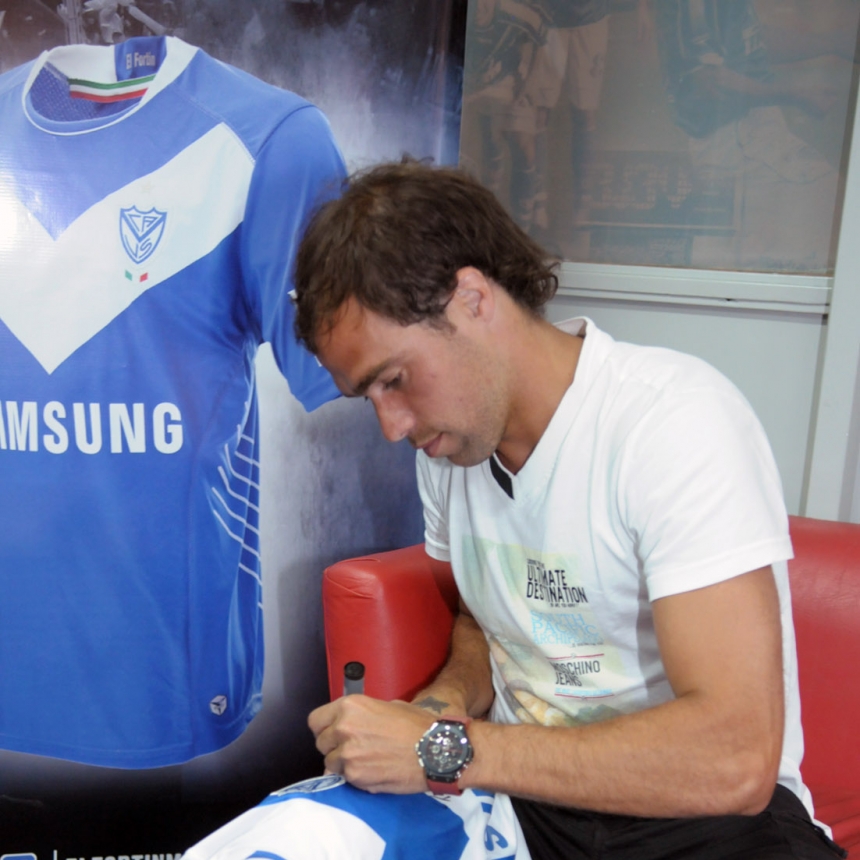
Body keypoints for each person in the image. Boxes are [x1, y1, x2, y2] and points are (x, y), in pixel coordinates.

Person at [188, 158, 846, 860]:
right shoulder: (451, 451)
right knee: (280, 840)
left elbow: (734, 760)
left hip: (703, 823)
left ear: (473, 299)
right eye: (367, 396)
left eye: (395, 380)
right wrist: (440, 705)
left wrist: (443, 749)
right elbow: (489, 620)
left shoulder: (673, 422)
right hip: (520, 806)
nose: (391, 426)